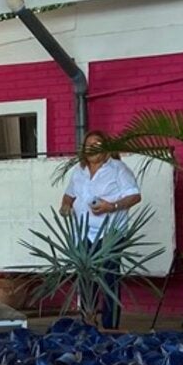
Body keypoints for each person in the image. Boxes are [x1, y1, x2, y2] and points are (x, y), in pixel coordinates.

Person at [59, 130, 142, 329]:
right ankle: (88, 322)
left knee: (109, 279)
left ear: (105, 148)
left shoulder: (118, 168)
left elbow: (135, 196)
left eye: (98, 144)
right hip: (83, 233)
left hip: (110, 234)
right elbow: (68, 196)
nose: (92, 148)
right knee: (86, 278)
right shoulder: (79, 171)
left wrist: (110, 206)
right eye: (89, 145)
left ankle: (110, 326)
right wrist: (65, 206)